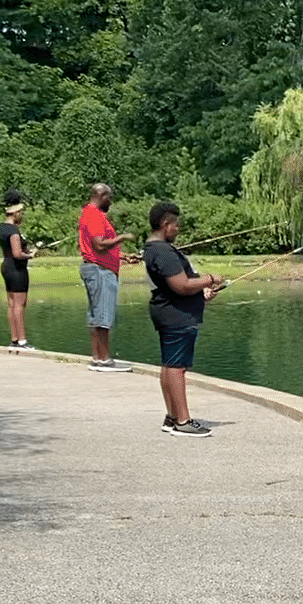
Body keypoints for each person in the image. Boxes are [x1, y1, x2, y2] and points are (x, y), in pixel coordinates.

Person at [143, 201, 225, 437]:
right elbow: (181, 285)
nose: (178, 229)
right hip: (176, 316)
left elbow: (178, 286)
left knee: (169, 365)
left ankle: (171, 417)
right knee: (177, 368)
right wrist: (209, 279)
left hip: (169, 310)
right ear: (165, 224)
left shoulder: (152, 248)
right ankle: (183, 421)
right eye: (175, 225)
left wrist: (201, 293)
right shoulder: (164, 252)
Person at [77, 182, 136, 372]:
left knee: (96, 315)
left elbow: (101, 248)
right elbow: (99, 245)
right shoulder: (94, 215)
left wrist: (122, 256)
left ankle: (97, 358)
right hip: (100, 271)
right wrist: (122, 238)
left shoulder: (89, 213)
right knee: (103, 317)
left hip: (98, 267)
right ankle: (104, 360)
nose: (110, 202)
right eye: (109, 198)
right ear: (102, 196)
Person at [0, 190, 40, 351]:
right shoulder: (13, 231)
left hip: (6, 267)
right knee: (20, 305)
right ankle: (22, 341)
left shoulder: (2, 228)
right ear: (15, 213)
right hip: (17, 270)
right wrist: (30, 255)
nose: (22, 215)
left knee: (11, 304)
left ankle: (14, 339)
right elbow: (17, 253)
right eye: (21, 212)